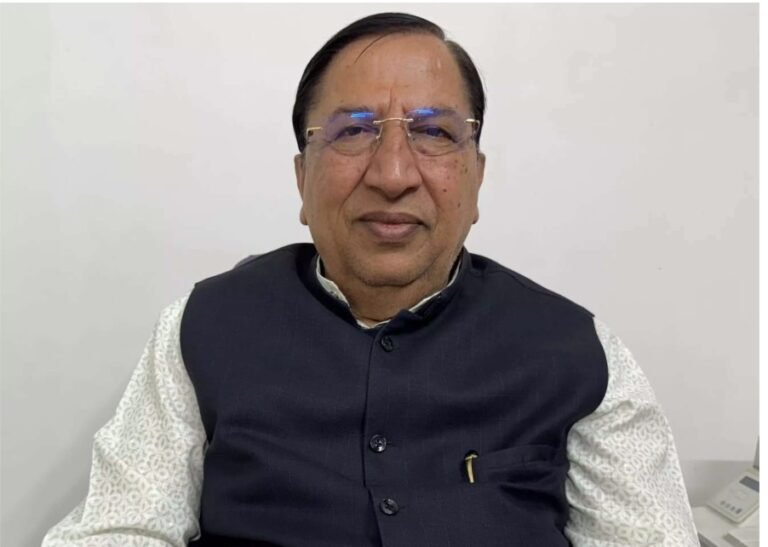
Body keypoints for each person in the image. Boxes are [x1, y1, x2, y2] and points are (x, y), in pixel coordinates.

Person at [43, 12, 698, 547]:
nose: (392, 174)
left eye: (433, 132)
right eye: (353, 132)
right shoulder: (203, 327)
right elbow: (121, 528)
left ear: (475, 178)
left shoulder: (578, 352)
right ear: (302, 178)